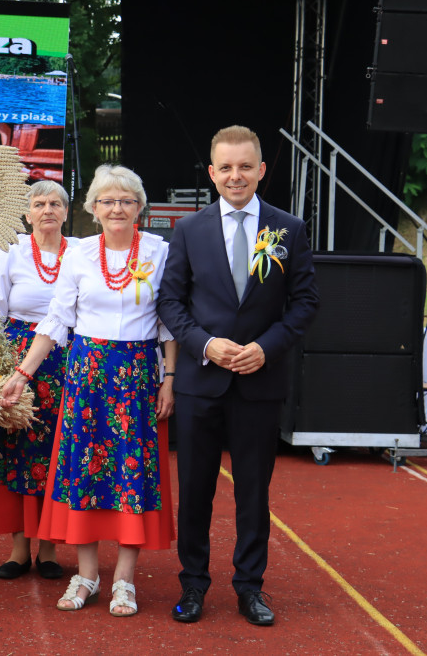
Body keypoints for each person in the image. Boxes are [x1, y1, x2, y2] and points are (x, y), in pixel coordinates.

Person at [156, 126, 319, 626]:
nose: (235, 175)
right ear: (211, 173)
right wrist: (205, 344)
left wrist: (264, 349)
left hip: (258, 384)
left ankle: (250, 588)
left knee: (253, 492)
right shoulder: (188, 229)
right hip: (200, 384)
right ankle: (193, 586)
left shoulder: (288, 228)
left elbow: (306, 302)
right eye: (225, 167)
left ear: (261, 170)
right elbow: (170, 302)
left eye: (245, 166)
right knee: (197, 491)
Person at [0, 165, 177, 617]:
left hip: (136, 376)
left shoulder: (160, 251)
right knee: (85, 474)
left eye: (126, 200)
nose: (117, 208)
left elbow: (168, 322)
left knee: (130, 475)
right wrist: (22, 373)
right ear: (93, 209)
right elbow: (57, 320)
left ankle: (124, 581)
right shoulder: (80, 255)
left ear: (140, 207)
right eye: (107, 201)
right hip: (87, 375)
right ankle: (87, 575)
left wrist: (170, 377)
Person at [0, 180, 78, 580]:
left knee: (57, 453)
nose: (47, 209)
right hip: (15, 365)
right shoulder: (9, 252)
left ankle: (49, 549)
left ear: (66, 212)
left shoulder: (83, 252)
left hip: (69, 365)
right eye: (39, 203)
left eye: (55, 203)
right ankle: (18, 549)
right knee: (13, 447)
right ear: (27, 213)